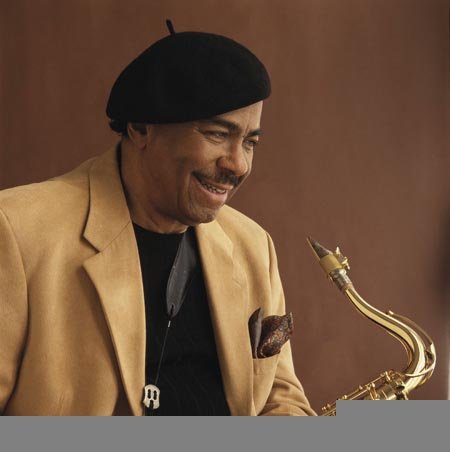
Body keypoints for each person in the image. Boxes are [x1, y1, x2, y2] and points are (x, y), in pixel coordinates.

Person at [0, 21, 315, 416]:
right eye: (218, 134)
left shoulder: (254, 245)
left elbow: (281, 400)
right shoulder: (15, 230)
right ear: (141, 128)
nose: (238, 165)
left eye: (250, 142)